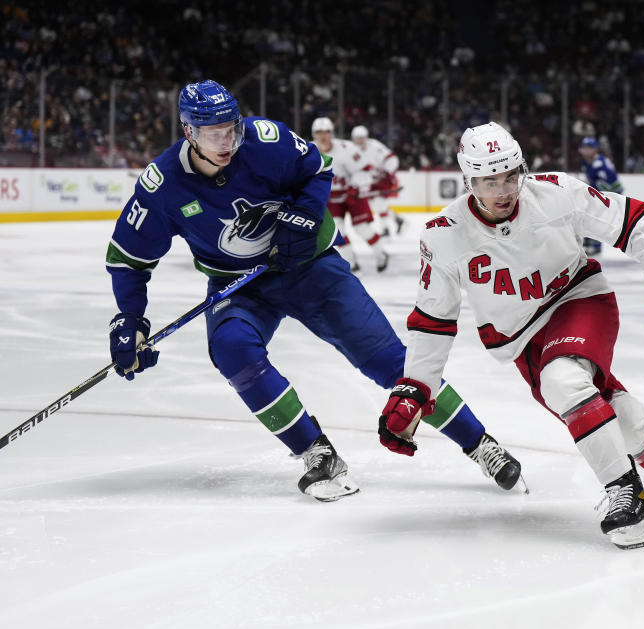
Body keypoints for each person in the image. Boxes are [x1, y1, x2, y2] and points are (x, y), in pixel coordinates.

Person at [105, 81, 524, 503]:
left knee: (388, 360)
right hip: (240, 286)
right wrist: (130, 319)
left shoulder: (265, 140)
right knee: (231, 348)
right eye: (214, 135)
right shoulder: (162, 185)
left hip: (312, 268)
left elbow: (317, 168)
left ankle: (479, 442)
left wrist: (303, 221)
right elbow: (128, 259)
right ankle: (315, 451)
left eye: (231, 129)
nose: (227, 142)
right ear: (189, 132)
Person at [379, 122, 644, 548]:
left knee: (562, 381)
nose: (504, 189)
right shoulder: (443, 235)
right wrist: (415, 387)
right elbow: (434, 319)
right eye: (490, 180)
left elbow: (633, 219)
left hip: (580, 302)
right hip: (523, 343)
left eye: (511, 175)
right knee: (630, 429)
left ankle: (628, 497)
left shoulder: (555, 193)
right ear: (469, 180)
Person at [310, 117, 388, 273]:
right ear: (314, 134)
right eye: (319, 132)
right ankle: (351, 263)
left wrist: (355, 186)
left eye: (326, 132)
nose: (323, 136)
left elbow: (365, 171)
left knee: (362, 228)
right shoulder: (308, 150)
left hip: (353, 195)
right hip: (330, 199)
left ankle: (381, 254)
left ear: (332, 133)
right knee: (337, 232)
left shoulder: (347, 148)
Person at [350, 125, 405, 237]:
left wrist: (389, 172)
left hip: (383, 178)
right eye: (357, 138)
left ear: (366, 137)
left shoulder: (375, 146)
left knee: (379, 204)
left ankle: (385, 230)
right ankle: (398, 219)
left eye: (362, 138)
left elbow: (391, 158)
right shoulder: (351, 150)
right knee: (376, 205)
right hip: (371, 181)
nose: (360, 141)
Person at [578, 136, 624, 256]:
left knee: (596, 219)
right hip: (596, 195)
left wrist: (593, 188)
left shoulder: (600, 164)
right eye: (584, 148)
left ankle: (596, 246)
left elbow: (614, 186)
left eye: (589, 148)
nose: (586, 151)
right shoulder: (587, 162)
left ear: (595, 149)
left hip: (610, 195)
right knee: (586, 216)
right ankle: (587, 242)